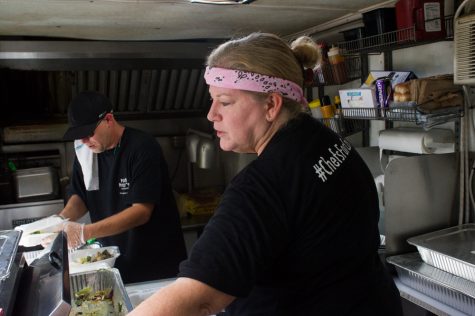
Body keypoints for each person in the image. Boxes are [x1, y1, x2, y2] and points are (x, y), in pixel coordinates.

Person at [129, 32, 403, 315]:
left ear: (271, 105)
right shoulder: (327, 141)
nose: (211, 114)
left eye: (224, 102)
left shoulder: (264, 185)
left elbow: (199, 297)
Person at [59, 91, 187, 284]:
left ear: (109, 119)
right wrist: (61, 220)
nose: (84, 141)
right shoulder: (86, 152)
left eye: (89, 133)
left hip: (155, 264)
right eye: (79, 136)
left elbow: (141, 212)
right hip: (113, 262)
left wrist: (85, 232)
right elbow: (80, 196)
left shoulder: (142, 148)